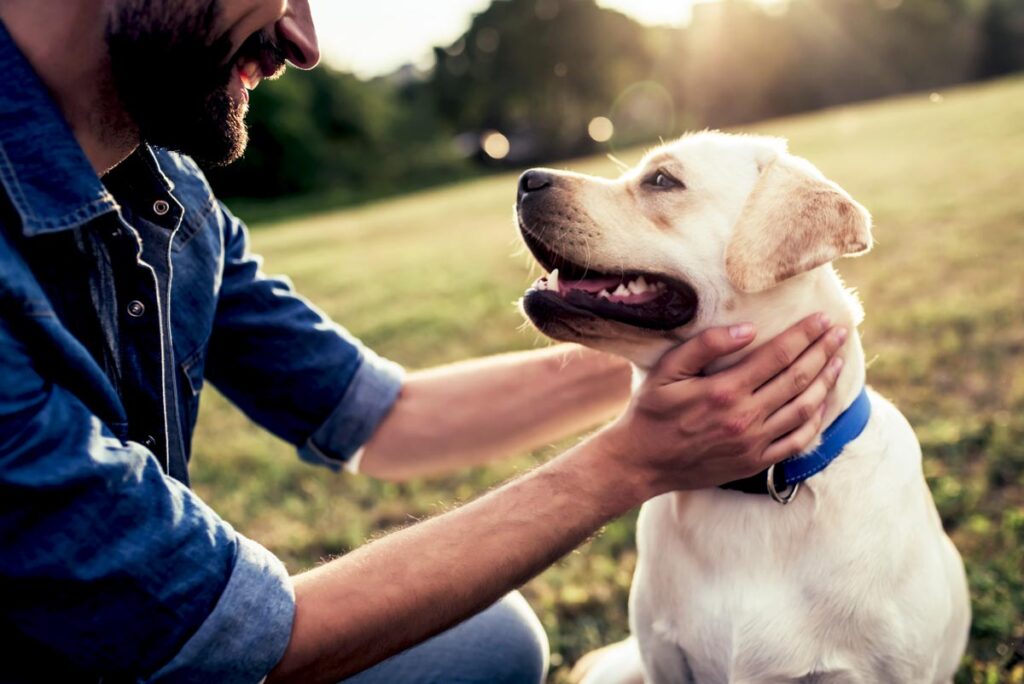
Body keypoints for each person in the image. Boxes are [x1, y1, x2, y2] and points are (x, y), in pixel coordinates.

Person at [0, 1, 849, 682]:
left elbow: (387, 417)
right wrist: (632, 461)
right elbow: (224, 640)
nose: (303, 39)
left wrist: (701, 346)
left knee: (487, 642)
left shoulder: (169, 200)